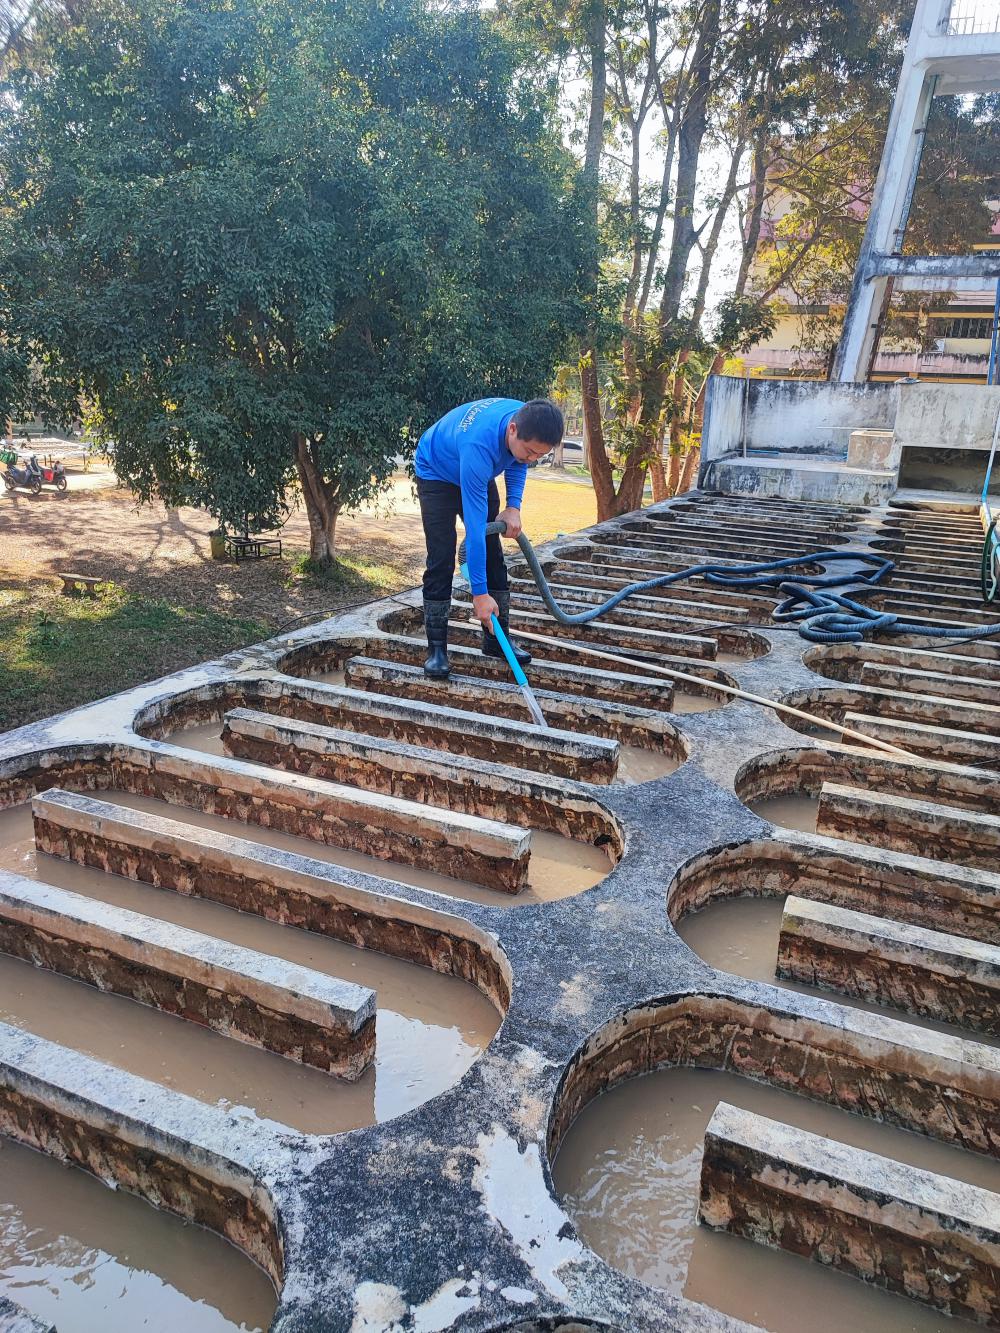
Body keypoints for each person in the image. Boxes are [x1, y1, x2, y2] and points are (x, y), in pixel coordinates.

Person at [414, 396, 564, 679]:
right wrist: (480, 595)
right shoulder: (479, 446)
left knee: (494, 554)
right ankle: (437, 651)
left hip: (473, 466)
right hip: (436, 472)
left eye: (539, 456)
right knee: (441, 558)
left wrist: (513, 507)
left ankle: (497, 640)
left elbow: (518, 461)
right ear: (512, 430)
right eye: (530, 452)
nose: (532, 459)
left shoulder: (528, 419)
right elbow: (475, 532)